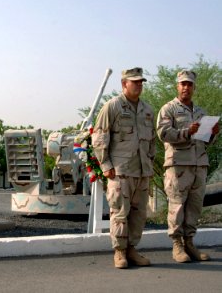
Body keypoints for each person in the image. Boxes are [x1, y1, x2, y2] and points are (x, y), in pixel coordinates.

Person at [92, 67, 155, 269]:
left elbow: (152, 140)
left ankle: (131, 249)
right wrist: (105, 164)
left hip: (142, 171)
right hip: (120, 170)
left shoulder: (147, 110)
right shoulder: (113, 106)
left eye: (140, 81)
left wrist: (150, 163)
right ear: (124, 84)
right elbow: (99, 136)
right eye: (134, 81)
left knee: (138, 213)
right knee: (120, 211)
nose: (138, 84)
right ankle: (119, 251)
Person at [157, 70, 219, 263]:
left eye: (190, 84)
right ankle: (177, 245)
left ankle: (190, 243)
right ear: (177, 86)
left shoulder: (200, 112)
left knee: (194, 206)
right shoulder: (169, 109)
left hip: (199, 164)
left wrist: (213, 133)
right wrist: (186, 131)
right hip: (178, 165)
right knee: (177, 205)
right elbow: (163, 133)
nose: (186, 87)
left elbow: (205, 141)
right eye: (183, 84)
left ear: (194, 87)